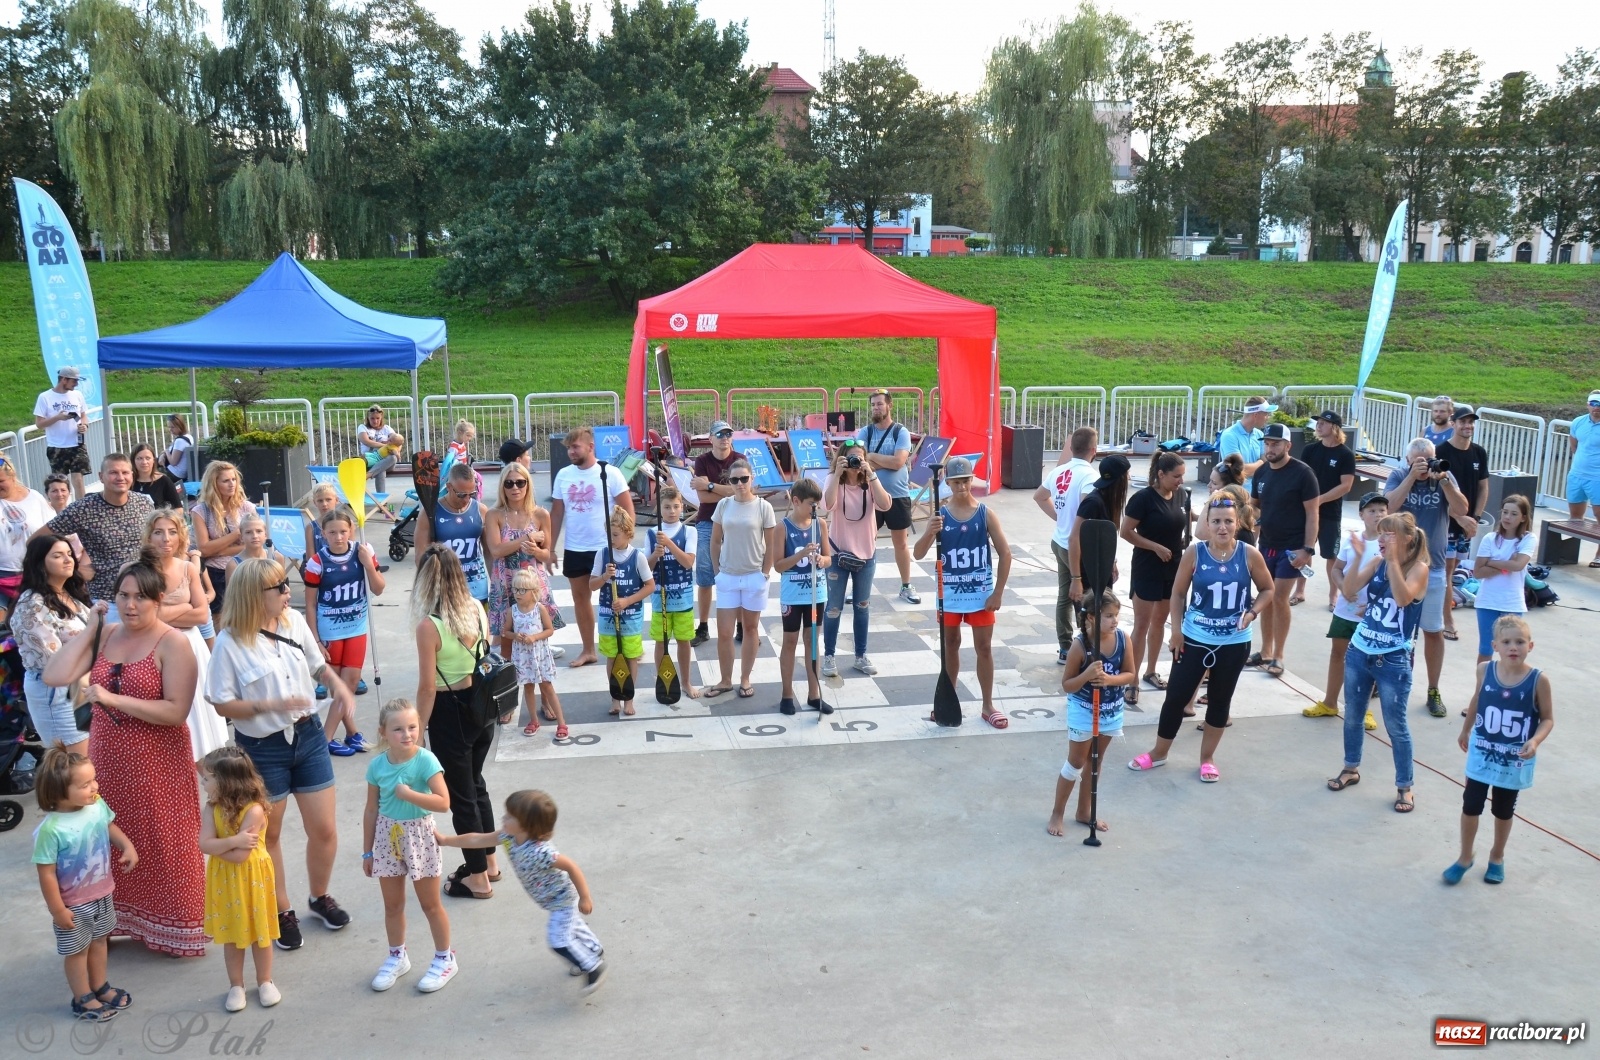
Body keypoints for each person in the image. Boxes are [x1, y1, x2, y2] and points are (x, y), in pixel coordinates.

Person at [43, 558, 206, 956]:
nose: (131, 605)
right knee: (109, 838)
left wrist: (113, 698)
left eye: (140, 598)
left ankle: (176, 928)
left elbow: (175, 711)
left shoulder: (174, 641)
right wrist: (92, 629)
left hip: (157, 759)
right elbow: (55, 675)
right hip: (107, 758)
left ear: (159, 600)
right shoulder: (108, 632)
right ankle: (113, 921)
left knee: (163, 839)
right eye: (123, 595)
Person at [206, 557, 355, 952]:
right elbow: (220, 703)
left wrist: (336, 684)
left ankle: (319, 896)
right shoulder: (230, 642)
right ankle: (280, 909)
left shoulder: (293, 622)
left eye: (286, 584)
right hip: (261, 747)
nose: (289, 592)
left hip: (307, 737)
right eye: (280, 587)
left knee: (324, 829)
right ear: (257, 595)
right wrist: (266, 705)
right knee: (267, 834)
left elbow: (318, 665)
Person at [1128, 494, 1273, 782]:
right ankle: (1159, 753)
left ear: (1238, 523)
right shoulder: (1195, 553)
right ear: (1206, 524)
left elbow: (1268, 590)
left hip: (1234, 642)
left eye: (1228, 522)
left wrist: (1252, 612)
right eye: (1216, 521)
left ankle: (1207, 759)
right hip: (1194, 637)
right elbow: (1179, 593)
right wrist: (1177, 631)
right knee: (1176, 698)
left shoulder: (1249, 555)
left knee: (1220, 700)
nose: (1222, 527)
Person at [438, 789, 606, 994]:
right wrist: (446, 840)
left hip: (562, 900)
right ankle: (593, 948)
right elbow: (477, 840)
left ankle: (592, 966)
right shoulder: (508, 836)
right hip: (550, 900)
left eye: (510, 816)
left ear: (528, 826)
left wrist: (585, 897)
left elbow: (572, 867)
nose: (503, 818)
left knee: (559, 940)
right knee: (574, 927)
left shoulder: (542, 851)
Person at [411, 545, 499, 900]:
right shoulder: (477, 609)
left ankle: (477, 878)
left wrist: (417, 732)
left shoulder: (429, 626)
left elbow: (427, 687)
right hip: (481, 703)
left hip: (450, 710)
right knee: (476, 784)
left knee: (461, 796)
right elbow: (487, 654)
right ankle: (489, 861)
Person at [1326, 513, 1429, 813]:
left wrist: (1394, 562)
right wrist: (1358, 558)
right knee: (1353, 715)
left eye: (1389, 535)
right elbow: (1348, 590)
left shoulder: (1418, 569)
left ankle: (1405, 786)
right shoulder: (1377, 562)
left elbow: (1402, 599)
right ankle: (1350, 767)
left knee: (1396, 725)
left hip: (1393, 657)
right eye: (1381, 534)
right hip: (1360, 650)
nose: (1381, 540)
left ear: (1408, 539)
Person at [1443, 616, 1554, 886]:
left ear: (1531, 645)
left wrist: (1536, 741)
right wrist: (1466, 729)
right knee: (1470, 805)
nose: (1513, 647)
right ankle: (1465, 856)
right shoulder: (1484, 670)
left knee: (1503, 810)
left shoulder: (1538, 680)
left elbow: (1548, 718)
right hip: (1483, 752)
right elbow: (1478, 699)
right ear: (1495, 645)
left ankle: (1497, 856)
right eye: (1506, 642)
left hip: (1512, 758)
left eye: (1519, 642)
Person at [31, 746, 138, 1022]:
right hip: (73, 905)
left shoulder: (96, 805)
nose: (95, 787)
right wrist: (57, 910)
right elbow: (47, 873)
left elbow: (108, 826)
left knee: (100, 941)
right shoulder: (51, 829)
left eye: (93, 780)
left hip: (103, 893)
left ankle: (100, 986)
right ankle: (82, 998)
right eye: (85, 784)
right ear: (57, 792)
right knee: (77, 952)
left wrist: (126, 846)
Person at [362, 698, 457, 993]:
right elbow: (370, 809)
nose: (407, 734)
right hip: (387, 838)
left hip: (420, 837)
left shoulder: (425, 760)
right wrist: (368, 851)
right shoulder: (377, 765)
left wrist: (410, 794)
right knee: (393, 905)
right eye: (398, 729)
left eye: (412, 727)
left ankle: (445, 958)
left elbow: (443, 802)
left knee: (430, 904)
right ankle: (397, 956)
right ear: (383, 732)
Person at [912, 456, 1012, 728]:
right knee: (950, 647)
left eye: (965, 480)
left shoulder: (986, 513)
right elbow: (918, 554)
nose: (961, 486)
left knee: (984, 648)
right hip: (950, 594)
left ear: (972, 480)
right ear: (947, 482)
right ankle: (949, 698)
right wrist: (929, 533)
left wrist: (998, 592)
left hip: (980, 592)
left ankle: (988, 704)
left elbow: (1005, 553)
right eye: (955, 481)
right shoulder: (940, 517)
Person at [1385, 438, 1468, 716]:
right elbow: (1388, 507)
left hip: (1433, 567)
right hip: (1402, 566)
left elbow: (1461, 510)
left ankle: (1433, 689)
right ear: (1408, 460)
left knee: (1433, 631)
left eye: (1429, 459)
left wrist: (1444, 480)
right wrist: (1411, 477)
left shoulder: (1443, 474)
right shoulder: (1399, 475)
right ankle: (1386, 682)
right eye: (1419, 460)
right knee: (1393, 629)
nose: (1426, 465)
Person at [197, 746, 280, 1012]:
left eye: (208, 778)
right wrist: (233, 841)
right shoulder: (211, 808)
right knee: (232, 935)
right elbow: (204, 845)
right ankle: (236, 985)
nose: (203, 782)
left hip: (252, 879)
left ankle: (265, 981)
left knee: (260, 934)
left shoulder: (254, 811)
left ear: (226, 781)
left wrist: (222, 846)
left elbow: (240, 857)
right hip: (226, 884)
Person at [1046, 591, 1133, 836]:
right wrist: (1087, 675)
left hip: (1111, 710)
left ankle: (1084, 811)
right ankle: (1057, 812)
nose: (1114, 621)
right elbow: (1068, 685)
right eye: (1108, 616)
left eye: (1116, 615)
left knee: (1095, 761)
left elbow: (1130, 673)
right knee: (1075, 762)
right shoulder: (1080, 645)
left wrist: (1109, 679)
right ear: (1092, 618)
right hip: (1084, 710)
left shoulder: (1123, 639)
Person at [141, 513, 226, 761]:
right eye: (158, 532)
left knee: (197, 720)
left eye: (172, 531)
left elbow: (202, 615)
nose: (165, 538)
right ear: (149, 535)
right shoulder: (134, 570)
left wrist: (160, 613)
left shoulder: (188, 568)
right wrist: (184, 608)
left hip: (190, 647)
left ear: (181, 537)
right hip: (152, 647)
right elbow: (141, 617)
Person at [549, 427, 634, 667]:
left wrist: (624, 546)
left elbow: (628, 511)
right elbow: (556, 514)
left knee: (618, 597)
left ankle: (628, 646)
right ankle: (588, 650)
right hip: (575, 547)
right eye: (568, 447)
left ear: (590, 446)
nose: (570, 452)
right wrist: (551, 549)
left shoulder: (610, 473)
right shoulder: (564, 475)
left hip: (605, 547)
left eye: (575, 447)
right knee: (580, 599)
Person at [303, 507, 386, 755]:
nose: (338, 537)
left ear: (352, 530)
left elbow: (379, 589)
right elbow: (310, 602)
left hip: (357, 626)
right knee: (338, 685)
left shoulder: (363, 550)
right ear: (323, 534)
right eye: (332, 532)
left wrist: (368, 566)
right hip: (330, 630)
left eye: (343, 531)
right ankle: (329, 739)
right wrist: (315, 639)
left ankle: (342, 735)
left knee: (348, 684)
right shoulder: (317, 562)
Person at [1303, 492, 1386, 730]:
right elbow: (1337, 568)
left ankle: (1364, 710)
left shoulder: (1387, 544)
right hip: (1345, 610)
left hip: (1371, 615)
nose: (1378, 515)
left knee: (1368, 661)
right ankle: (1330, 702)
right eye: (1372, 510)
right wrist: (1342, 589)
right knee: (1338, 654)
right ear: (1361, 515)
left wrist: (1371, 605)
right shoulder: (1352, 540)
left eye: (1382, 510)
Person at [1248, 423, 1321, 677]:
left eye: (1276, 443)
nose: (1270, 448)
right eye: (1267, 443)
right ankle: (1265, 650)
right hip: (1266, 545)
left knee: (1279, 598)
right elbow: (1255, 506)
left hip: (1292, 548)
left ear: (1288, 446)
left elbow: (1313, 513)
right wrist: (1254, 520)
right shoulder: (1261, 473)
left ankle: (1279, 655)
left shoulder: (1303, 474)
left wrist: (1308, 550)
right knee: (1266, 597)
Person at [40, 454, 154, 604]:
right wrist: (74, 570)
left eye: (125, 472)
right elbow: (37, 541)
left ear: (132, 475)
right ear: (101, 477)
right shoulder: (82, 509)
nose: (120, 477)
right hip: (107, 599)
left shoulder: (144, 503)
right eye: (113, 473)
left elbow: (154, 543)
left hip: (145, 592)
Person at [705, 458, 776, 699]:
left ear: (751, 479)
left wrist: (765, 573)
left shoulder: (763, 507)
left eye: (744, 479)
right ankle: (725, 680)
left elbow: (771, 544)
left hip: (754, 575)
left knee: (750, 628)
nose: (739, 484)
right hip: (727, 576)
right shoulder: (724, 505)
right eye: (734, 480)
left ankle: (745, 678)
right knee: (724, 632)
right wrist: (717, 571)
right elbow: (715, 541)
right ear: (729, 481)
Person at [821, 441, 893, 678]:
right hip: (838, 553)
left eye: (859, 459)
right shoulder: (834, 479)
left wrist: (870, 474)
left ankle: (860, 656)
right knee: (833, 607)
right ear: (842, 459)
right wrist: (837, 473)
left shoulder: (869, 483)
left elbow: (885, 504)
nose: (855, 463)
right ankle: (829, 657)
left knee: (863, 607)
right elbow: (826, 505)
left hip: (866, 554)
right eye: (850, 458)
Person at [1121, 451, 1189, 702]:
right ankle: (1132, 678)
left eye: (1183, 476)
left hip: (1174, 567)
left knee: (1160, 622)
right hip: (1148, 566)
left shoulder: (1181, 494)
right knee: (1142, 624)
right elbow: (1126, 532)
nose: (1181, 481)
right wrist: (1154, 547)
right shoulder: (1143, 499)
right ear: (1160, 475)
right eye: (1176, 476)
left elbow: (1186, 520)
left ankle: (1151, 670)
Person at [13, 535, 91, 752]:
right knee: (74, 765)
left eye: (69, 554)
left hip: (83, 685)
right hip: (56, 691)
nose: (68, 560)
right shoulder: (32, 604)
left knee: (89, 766)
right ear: (40, 563)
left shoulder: (70, 595)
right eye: (58, 556)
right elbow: (54, 665)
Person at [484, 462, 561, 662]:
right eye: (509, 484)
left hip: (532, 583)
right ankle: (510, 688)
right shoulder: (495, 515)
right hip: (506, 583)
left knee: (536, 640)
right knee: (506, 644)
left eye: (520, 482)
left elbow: (546, 555)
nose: (515, 488)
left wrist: (536, 550)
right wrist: (527, 538)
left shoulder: (541, 514)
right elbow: (496, 550)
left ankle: (537, 687)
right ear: (502, 487)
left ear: (528, 484)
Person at [1035, 426, 1098, 665]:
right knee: (1084, 595)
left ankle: (1065, 646)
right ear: (1094, 450)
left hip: (1059, 540)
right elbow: (1086, 513)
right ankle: (1086, 644)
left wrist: (1058, 517)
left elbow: (1039, 496)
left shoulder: (1059, 471)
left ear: (1071, 448)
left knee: (1065, 596)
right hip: (1077, 544)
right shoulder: (1090, 477)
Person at [773, 478, 831, 715]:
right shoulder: (782, 527)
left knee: (812, 641)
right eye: (811, 504)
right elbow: (778, 565)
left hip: (817, 593)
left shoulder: (821, 525)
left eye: (817, 505)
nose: (815, 509)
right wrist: (801, 556)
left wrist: (821, 560)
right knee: (789, 641)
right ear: (796, 501)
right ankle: (787, 694)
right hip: (793, 594)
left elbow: (829, 558)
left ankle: (814, 693)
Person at [858, 389, 921, 605]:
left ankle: (906, 585)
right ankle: (859, 587)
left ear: (889, 406)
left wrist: (872, 458)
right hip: (870, 495)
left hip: (897, 495)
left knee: (901, 543)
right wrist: (878, 461)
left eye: (879, 404)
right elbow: (858, 461)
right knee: (865, 542)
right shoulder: (865, 432)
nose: (876, 408)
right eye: (873, 405)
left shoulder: (900, 432)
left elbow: (898, 462)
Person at [1438, 405, 1490, 641]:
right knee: (1446, 571)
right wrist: (1458, 517)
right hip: (1446, 521)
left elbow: (1483, 487)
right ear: (1453, 423)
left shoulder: (1479, 452)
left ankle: (1442, 609)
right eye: (1463, 422)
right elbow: (1437, 493)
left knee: (1455, 568)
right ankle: (1447, 619)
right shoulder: (1441, 452)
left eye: (1471, 422)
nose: (1467, 426)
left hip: (1467, 523)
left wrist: (1475, 519)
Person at [689, 421, 743, 646]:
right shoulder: (701, 461)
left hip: (736, 521)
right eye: (720, 434)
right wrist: (729, 491)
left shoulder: (739, 460)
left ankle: (741, 626)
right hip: (707, 520)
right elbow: (702, 499)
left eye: (728, 433)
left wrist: (710, 486)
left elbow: (741, 492)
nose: (724, 437)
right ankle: (702, 626)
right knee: (704, 573)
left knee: (738, 572)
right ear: (710, 438)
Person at [1293, 411, 1355, 608]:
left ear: (1335, 428)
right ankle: (1300, 591)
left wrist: (1319, 500)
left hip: (1330, 513)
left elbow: (1346, 486)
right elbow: (1301, 478)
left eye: (1323, 423)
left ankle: (1333, 595)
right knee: (1305, 552)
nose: (1318, 426)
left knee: (1331, 555)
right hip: (1305, 512)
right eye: (1317, 422)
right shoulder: (1310, 450)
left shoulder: (1345, 454)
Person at [597, 508, 655, 717]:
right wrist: (604, 576)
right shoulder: (602, 554)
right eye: (608, 534)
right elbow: (591, 585)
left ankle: (629, 699)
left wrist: (628, 600)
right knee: (612, 656)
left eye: (615, 535)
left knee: (630, 656)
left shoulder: (637, 557)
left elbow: (650, 585)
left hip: (630, 617)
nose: (611, 539)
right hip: (607, 615)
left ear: (628, 534)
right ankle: (615, 698)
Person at [646, 486, 698, 701]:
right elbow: (646, 569)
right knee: (661, 641)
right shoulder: (651, 534)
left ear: (682, 507)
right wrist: (656, 555)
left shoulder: (689, 532)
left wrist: (669, 544)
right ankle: (664, 680)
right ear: (660, 509)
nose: (671, 511)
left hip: (683, 597)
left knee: (684, 640)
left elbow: (688, 562)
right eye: (667, 507)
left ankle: (686, 681)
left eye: (676, 506)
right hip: (661, 598)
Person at [1471, 495, 1536, 665]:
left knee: (1512, 651)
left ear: (1523, 517)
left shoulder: (1528, 539)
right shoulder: (1490, 539)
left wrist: (1491, 563)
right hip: (1487, 601)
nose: (1507, 517)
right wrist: (1507, 564)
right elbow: (1478, 571)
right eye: (1505, 512)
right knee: (1486, 649)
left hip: (1511, 603)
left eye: (1514, 514)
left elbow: (1519, 565)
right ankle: (1482, 687)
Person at [416, 462, 489, 605]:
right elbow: (420, 556)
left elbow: (489, 552)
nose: (467, 499)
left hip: (477, 588)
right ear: (449, 487)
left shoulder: (481, 510)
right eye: (461, 494)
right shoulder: (430, 513)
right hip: (445, 590)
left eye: (472, 494)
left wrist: (495, 581)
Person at [192, 461, 256, 618]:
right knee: (220, 619)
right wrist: (236, 534)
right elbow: (204, 549)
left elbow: (256, 543)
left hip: (244, 568)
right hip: (216, 573)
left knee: (248, 616)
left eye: (233, 479)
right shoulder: (201, 511)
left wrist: (220, 550)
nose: (231, 484)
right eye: (226, 480)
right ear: (214, 483)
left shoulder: (246, 507)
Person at [507, 568, 566, 739]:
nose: (518, 593)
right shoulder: (513, 610)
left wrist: (534, 637)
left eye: (522, 590)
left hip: (539, 654)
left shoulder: (539, 609)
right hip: (523, 656)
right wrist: (515, 636)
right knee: (528, 687)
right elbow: (505, 631)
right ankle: (533, 720)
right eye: (515, 589)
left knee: (547, 686)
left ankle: (561, 723)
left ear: (533, 592)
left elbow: (549, 630)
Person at [1069, 455, 1130, 589]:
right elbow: (1073, 539)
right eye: (1127, 474)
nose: (1129, 478)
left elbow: (1106, 540)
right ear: (1120, 478)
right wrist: (1076, 579)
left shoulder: (1108, 500)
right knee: (1092, 610)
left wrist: (1112, 562)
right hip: (1088, 572)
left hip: (1102, 568)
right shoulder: (1093, 502)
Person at [1, 452, 56, 597]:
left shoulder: (34, 497)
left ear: (12, 477)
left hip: (35, 571)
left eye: (1, 481)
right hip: (2, 576)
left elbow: (53, 530)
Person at [33, 365, 90, 500]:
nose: (76, 384)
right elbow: (39, 424)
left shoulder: (77, 395)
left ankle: (80, 511)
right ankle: (63, 512)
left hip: (77, 444)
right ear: (64, 379)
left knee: (78, 479)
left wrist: (84, 425)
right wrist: (57, 417)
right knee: (60, 483)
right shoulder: (45, 397)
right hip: (57, 446)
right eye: (74, 381)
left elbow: (83, 415)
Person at [1565, 390, 1600, 565]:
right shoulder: (1578, 422)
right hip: (1576, 476)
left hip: (1597, 479)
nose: (1596, 408)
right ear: (1588, 404)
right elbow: (1574, 444)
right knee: (1574, 519)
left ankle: (1599, 555)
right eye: (1593, 403)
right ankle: (1568, 555)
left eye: (1599, 404)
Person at [1217, 396, 1275, 482]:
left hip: (1258, 492)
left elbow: (1269, 465)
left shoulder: (1260, 434)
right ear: (1255, 415)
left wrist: (1259, 465)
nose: (1268, 417)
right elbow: (1238, 470)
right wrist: (1260, 463)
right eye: (1266, 414)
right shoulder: (1229, 435)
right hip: (1237, 493)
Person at [357, 405, 404, 494]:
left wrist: (396, 450)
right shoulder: (362, 427)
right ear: (368, 418)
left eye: (377, 418)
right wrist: (385, 446)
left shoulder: (386, 428)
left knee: (393, 458)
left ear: (381, 418)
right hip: (370, 460)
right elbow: (366, 441)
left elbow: (398, 442)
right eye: (372, 418)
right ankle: (382, 500)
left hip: (387, 461)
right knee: (381, 471)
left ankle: (368, 475)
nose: (375, 421)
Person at [299, 484, 342, 572]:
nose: (324, 504)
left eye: (328, 499)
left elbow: (350, 551)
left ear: (336, 500)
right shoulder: (311, 528)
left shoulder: (348, 524)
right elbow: (310, 558)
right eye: (320, 501)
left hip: (341, 566)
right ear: (315, 503)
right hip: (319, 568)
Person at [129, 443, 182, 510]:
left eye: (148, 458)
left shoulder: (164, 481)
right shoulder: (128, 481)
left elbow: (178, 508)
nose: (144, 462)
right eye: (139, 458)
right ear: (133, 461)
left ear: (153, 460)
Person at [160, 414, 195, 482]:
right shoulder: (188, 436)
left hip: (175, 474)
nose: (170, 430)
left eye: (172, 427)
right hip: (181, 473)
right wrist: (163, 455)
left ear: (180, 426)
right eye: (169, 427)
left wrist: (166, 451)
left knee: (149, 471)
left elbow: (173, 462)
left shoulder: (180, 441)